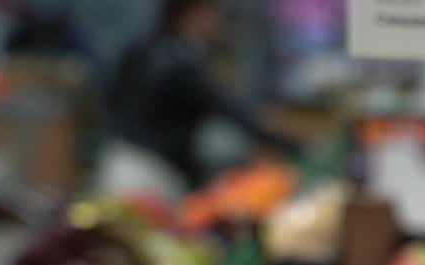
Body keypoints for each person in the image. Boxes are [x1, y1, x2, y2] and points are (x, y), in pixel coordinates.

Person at [99, 0, 300, 199]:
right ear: (195, 13)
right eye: (213, 12)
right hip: (149, 174)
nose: (219, 22)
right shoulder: (181, 63)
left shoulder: (141, 47)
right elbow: (231, 111)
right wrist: (291, 142)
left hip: (115, 162)